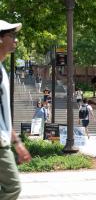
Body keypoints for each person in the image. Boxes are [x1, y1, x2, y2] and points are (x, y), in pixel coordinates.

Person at [0, 20, 31, 200]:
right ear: (1, 40)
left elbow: (4, 115)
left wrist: (17, 142)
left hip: (3, 142)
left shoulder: (2, 70)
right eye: (12, 36)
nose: (16, 41)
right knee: (13, 187)